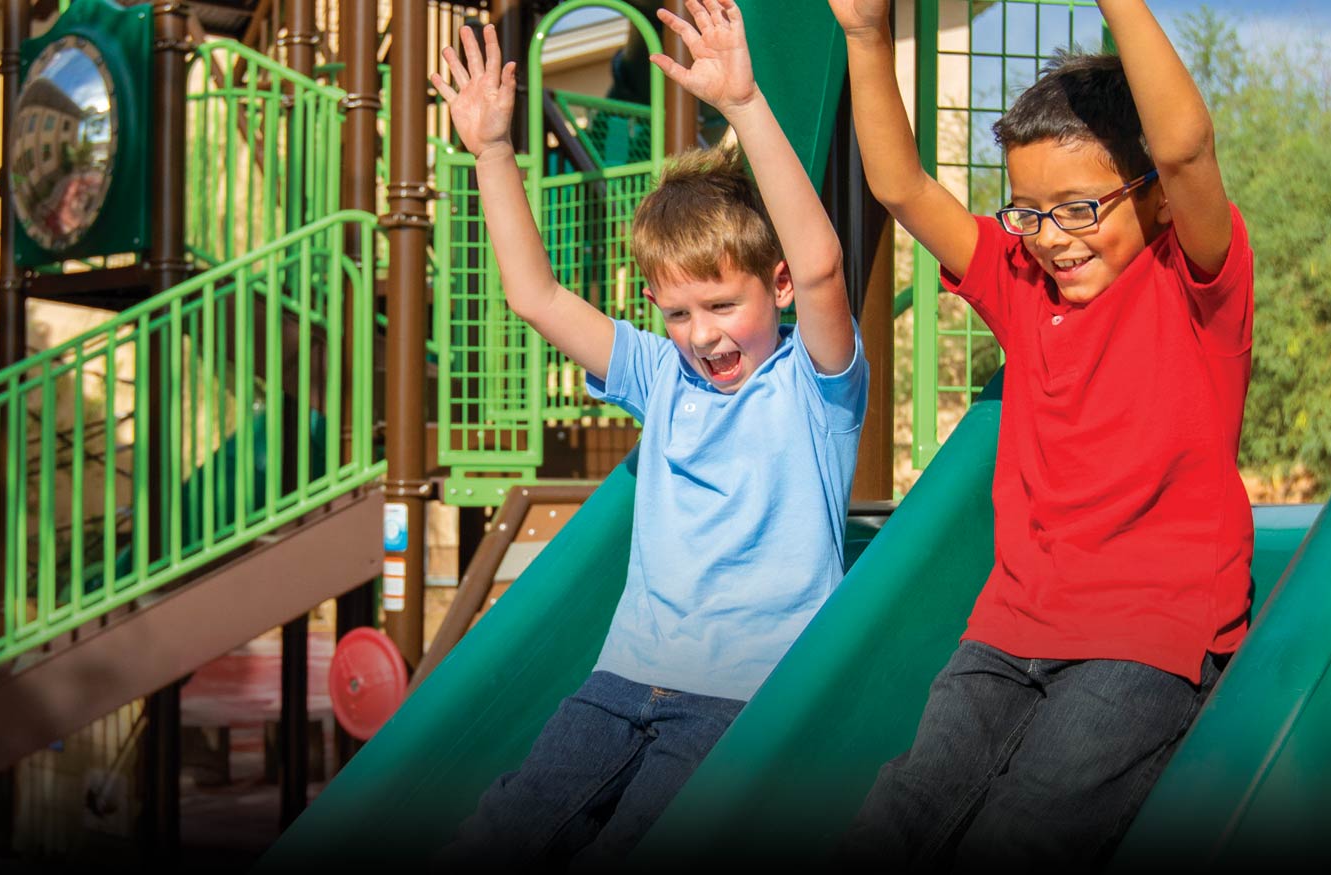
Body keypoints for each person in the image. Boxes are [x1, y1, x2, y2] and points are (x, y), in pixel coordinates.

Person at [428, 0, 866, 865]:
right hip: (621, 680)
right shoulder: (661, 374)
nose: (702, 333)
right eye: (676, 311)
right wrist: (488, 151)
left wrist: (743, 104)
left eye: (721, 304)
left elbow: (820, 261)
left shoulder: (815, 388)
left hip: (739, 698)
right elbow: (537, 298)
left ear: (773, 288)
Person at [826, 0, 1255, 866]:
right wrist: (867, 36)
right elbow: (900, 186)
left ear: (1157, 204)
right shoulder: (1022, 282)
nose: (1052, 237)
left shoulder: (1193, 284)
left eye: (1078, 208)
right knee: (901, 811)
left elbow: (1183, 148)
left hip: (1145, 636)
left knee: (1032, 823)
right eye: (1029, 211)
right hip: (1009, 628)